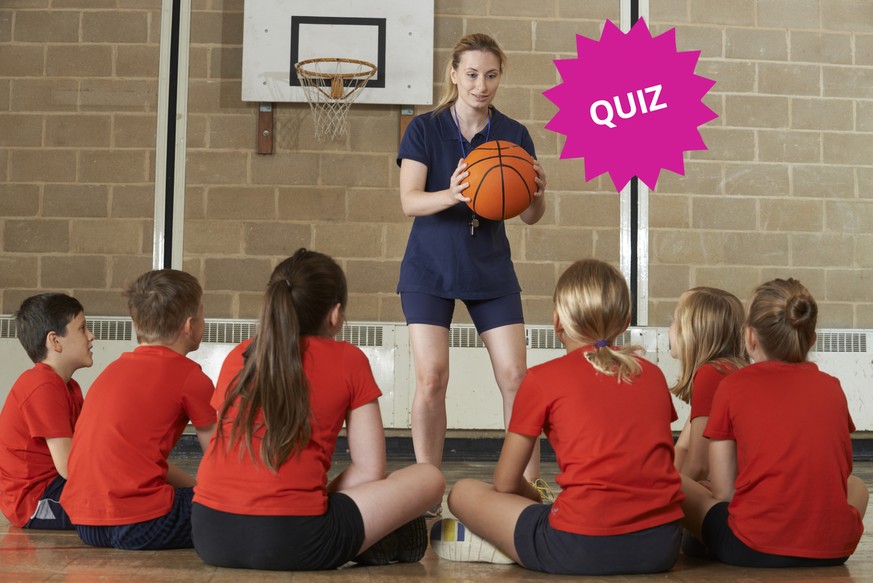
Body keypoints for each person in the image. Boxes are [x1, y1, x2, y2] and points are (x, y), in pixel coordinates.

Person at [192, 248, 444, 571]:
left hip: (209, 535)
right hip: (297, 541)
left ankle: (369, 534)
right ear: (335, 314)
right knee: (429, 477)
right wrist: (314, 498)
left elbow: (220, 446)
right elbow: (370, 471)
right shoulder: (349, 360)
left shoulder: (239, 356)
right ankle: (377, 536)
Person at [431, 259, 684, 575]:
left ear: (557, 322)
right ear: (625, 321)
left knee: (462, 493)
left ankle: (502, 543)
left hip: (578, 548)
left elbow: (505, 482)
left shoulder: (541, 379)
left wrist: (535, 497)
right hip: (661, 547)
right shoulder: (654, 375)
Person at [396, 32, 548, 510]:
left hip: (490, 268)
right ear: (454, 75)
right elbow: (409, 201)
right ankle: (427, 489)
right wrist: (454, 193)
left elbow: (529, 216)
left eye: (491, 75)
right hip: (430, 267)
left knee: (516, 378)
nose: (482, 85)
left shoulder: (514, 133)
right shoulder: (424, 128)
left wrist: (538, 192)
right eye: (472, 74)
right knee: (432, 378)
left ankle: (526, 488)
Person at [679, 278, 869, 567]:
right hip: (834, 548)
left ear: (750, 338)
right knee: (858, 485)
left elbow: (724, 492)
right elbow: (840, 473)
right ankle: (826, 533)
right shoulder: (833, 386)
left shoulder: (732, 386)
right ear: (812, 339)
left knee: (675, 482)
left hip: (751, 547)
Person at [60, 270, 215, 550]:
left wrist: (193, 488)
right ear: (190, 325)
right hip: (143, 525)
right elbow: (219, 457)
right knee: (230, 508)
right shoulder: (191, 377)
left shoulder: (113, 371)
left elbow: (135, 459)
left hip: (87, 525)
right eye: (203, 316)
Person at [0, 293, 94, 529]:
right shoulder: (42, 384)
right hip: (36, 500)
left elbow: (86, 449)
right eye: (82, 328)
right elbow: (69, 467)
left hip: (56, 484)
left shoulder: (70, 387)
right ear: (55, 341)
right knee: (132, 506)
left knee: (142, 494)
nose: (91, 336)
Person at [669, 287, 746, 481]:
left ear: (693, 332)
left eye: (674, 319)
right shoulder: (728, 368)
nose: (669, 327)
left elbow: (698, 466)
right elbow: (683, 446)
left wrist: (669, 501)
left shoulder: (713, 373)